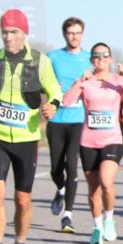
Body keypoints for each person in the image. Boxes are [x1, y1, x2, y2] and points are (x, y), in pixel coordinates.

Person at [0, 9, 62, 244]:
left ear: (24, 33)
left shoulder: (39, 61)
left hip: (26, 138)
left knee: (22, 199)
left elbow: (54, 89)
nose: (8, 37)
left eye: (14, 32)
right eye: (4, 32)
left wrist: (52, 104)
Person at [64, 43, 123, 244]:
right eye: (96, 56)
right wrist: (78, 82)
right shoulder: (86, 81)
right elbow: (67, 102)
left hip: (112, 140)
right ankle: (97, 227)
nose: (100, 59)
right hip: (88, 141)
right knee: (93, 190)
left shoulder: (119, 81)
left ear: (110, 59)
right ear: (91, 60)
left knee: (106, 181)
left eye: (104, 55)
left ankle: (109, 219)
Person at [46, 17, 91, 233]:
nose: (74, 36)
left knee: (72, 165)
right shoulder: (52, 57)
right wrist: (51, 89)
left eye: (78, 33)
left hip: (78, 121)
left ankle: (68, 216)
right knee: (56, 168)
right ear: (64, 34)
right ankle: (60, 188)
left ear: (82, 34)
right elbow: (40, 82)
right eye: (70, 33)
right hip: (56, 119)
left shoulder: (90, 59)